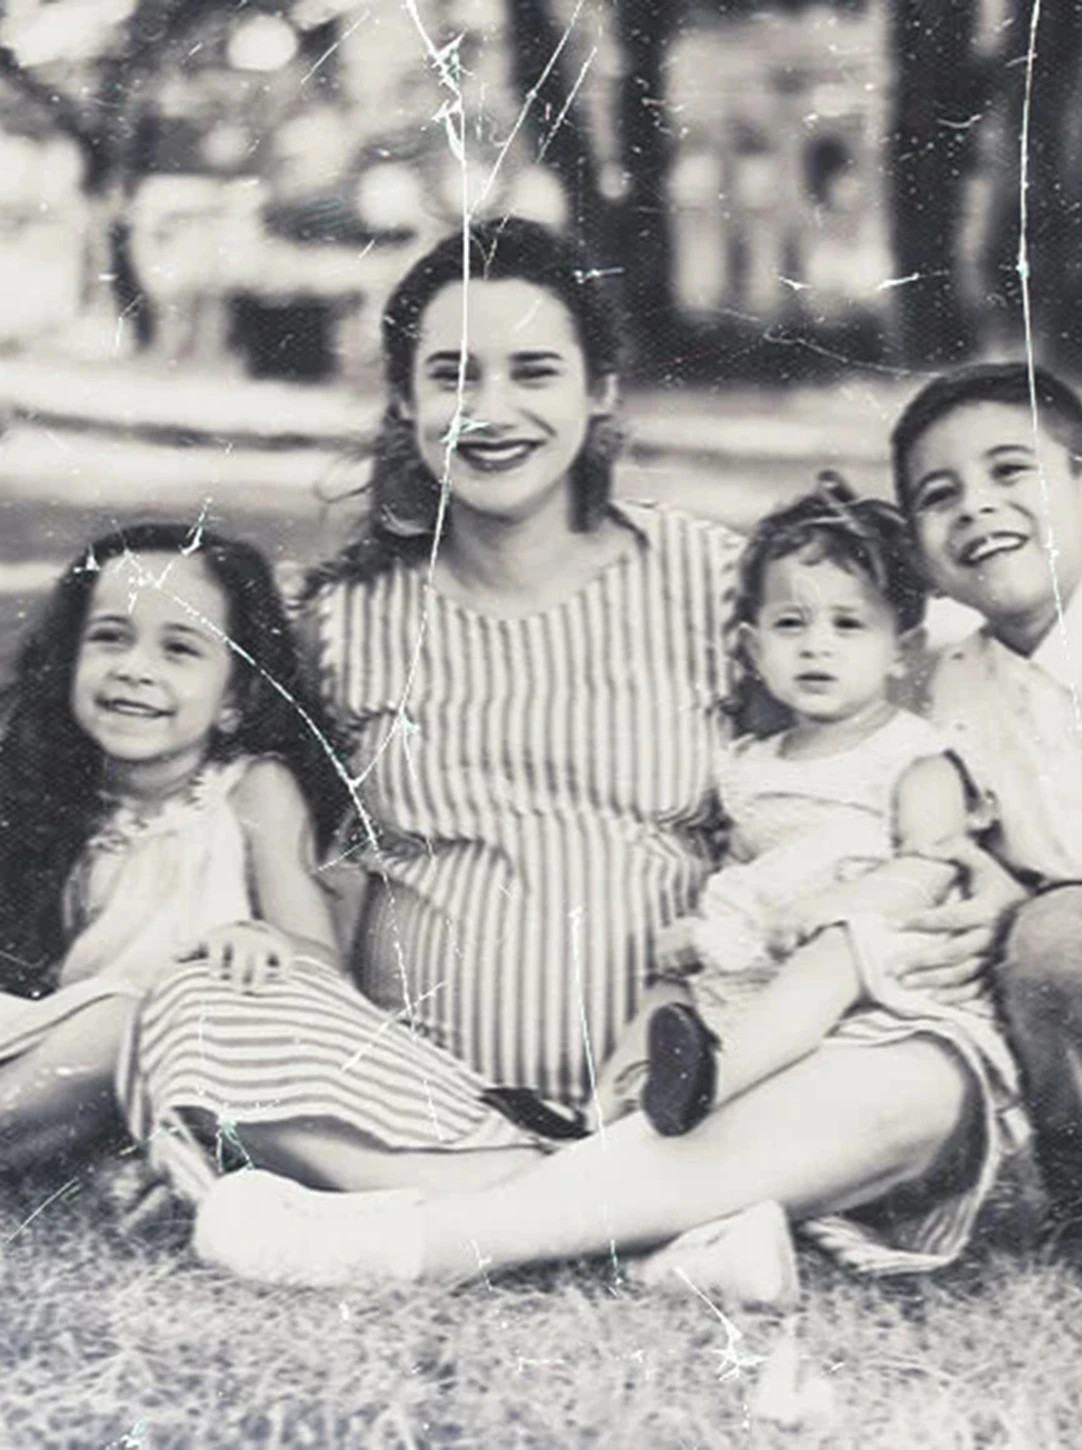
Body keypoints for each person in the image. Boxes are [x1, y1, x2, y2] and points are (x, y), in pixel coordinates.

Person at [131, 219, 994, 1299]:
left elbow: (908, 698)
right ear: (402, 402)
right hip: (435, 1097)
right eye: (452, 375)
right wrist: (261, 929)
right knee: (192, 1002)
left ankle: (446, 1238)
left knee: (926, 1085)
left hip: (706, 1077)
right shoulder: (343, 616)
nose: (491, 412)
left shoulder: (713, 580)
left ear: (600, 393)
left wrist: (982, 867)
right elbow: (283, 825)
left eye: (533, 371)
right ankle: (642, 1223)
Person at [611, 481, 1017, 1151]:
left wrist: (844, 903)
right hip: (761, 956)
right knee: (670, 987)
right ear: (752, 647)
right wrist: (703, 928)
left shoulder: (913, 755)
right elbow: (743, 862)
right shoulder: (750, 763)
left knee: (835, 952)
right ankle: (603, 1112)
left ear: (901, 651)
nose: (816, 646)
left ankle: (715, 1081)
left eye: (848, 624)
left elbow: (930, 864)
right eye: (790, 624)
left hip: (864, 959)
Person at [894, 361, 1082, 1288]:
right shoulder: (945, 678)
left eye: (1011, 472)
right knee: (1060, 939)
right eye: (940, 495)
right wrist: (997, 883)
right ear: (921, 554)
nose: (976, 506)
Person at [0, 523, 342, 1172]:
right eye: (109, 638)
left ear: (236, 698)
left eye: (179, 648)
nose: (134, 668)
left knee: (128, 1024)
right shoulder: (48, 787)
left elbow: (323, 964)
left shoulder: (252, 790)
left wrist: (263, 941)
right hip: (53, 1051)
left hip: (158, 1053)